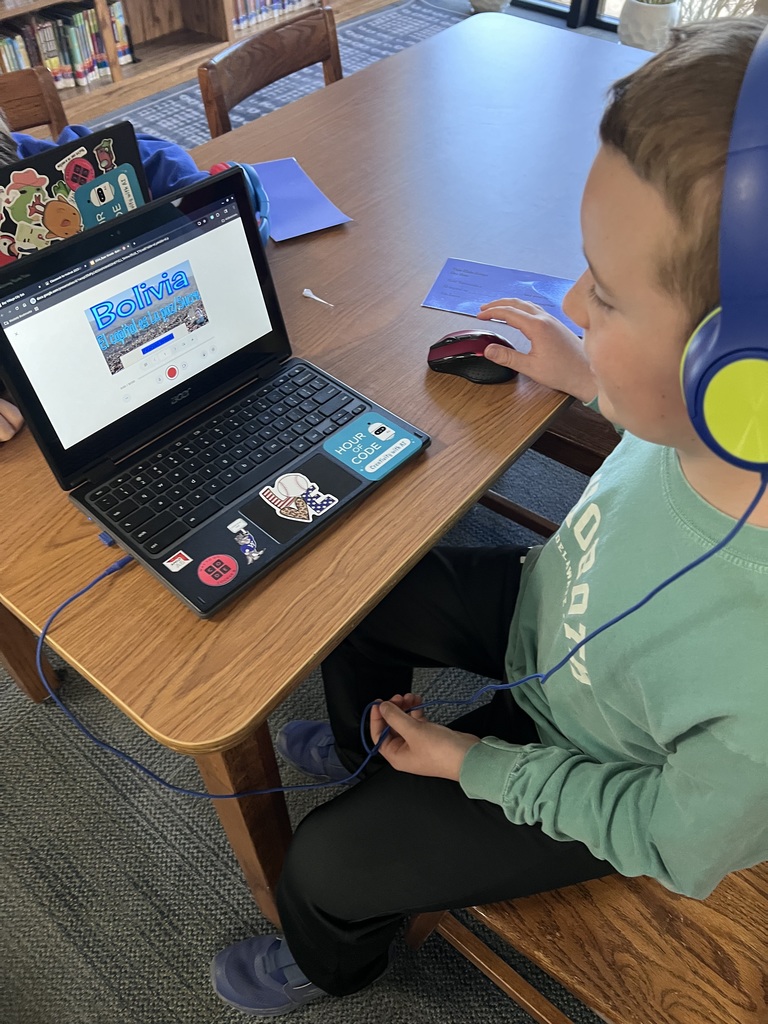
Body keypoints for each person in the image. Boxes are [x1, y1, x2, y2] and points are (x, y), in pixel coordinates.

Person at [242, 15, 766, 1015]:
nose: (573, 297)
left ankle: (332, 963)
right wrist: (590, 377)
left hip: (587, 769)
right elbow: (659, 423)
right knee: (353, 594)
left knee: (323, 864)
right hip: (548, 619)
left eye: (604, 297)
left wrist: (477, 763)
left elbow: (666, 836)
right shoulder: (723, 424)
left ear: (739, 379)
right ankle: (364, 743)